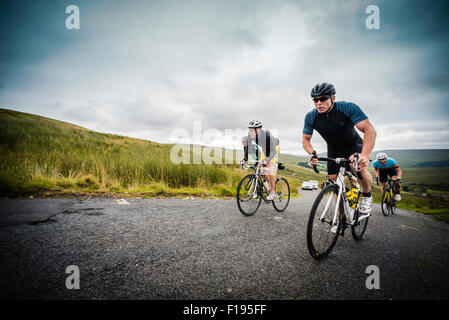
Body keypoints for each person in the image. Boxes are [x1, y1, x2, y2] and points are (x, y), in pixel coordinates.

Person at [302, 82, 377, 214]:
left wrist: (365, 154)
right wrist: (312, 153)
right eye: (315, 100)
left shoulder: (347, 108)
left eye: (323, 98)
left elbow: (369, 130)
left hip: (353, 145)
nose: (319, 103)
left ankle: (367, 196)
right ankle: (340, 216)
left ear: (333, 98)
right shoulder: (311, 116)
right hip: (333, 149)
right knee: (333, 182)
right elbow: (305, 140)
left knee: (357, 168)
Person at [240, 120, 280, 201]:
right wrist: (245, 159)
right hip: (265, 151)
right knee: (261, 170)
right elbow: (248, 148)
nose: (250, 132)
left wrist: (267, 160)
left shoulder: (267, 135)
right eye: (249, 130)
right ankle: (268, 184)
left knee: (269, 169)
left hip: (274, 149)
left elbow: (273, 152)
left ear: (258, 129)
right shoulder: (250, 135)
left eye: (251, 130)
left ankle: (272, 192)